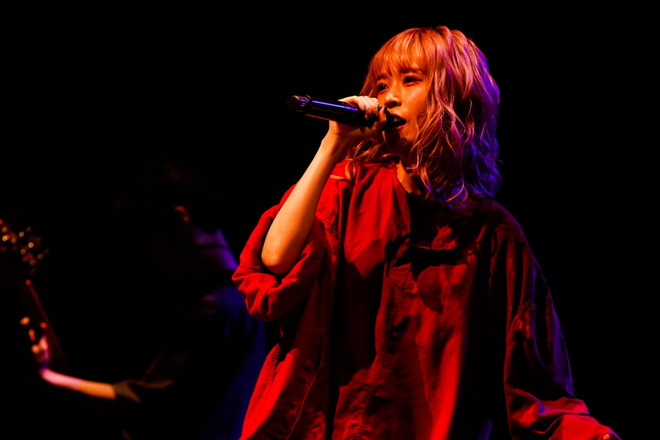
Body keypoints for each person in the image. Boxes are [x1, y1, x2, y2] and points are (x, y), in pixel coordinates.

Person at [231, 25, 621, 439]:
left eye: (410, 80)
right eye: (382, 85)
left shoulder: (492, 235)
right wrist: (333, 146)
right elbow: (275, 262)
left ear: (455, 98)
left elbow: (536, 385)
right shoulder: (346, 187)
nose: (388, 98)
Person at [22, 161, 268, 440]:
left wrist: (46, 377)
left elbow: (143, 406)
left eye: (151, 239)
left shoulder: (218, 309)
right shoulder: (248, 301)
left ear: (180, 219)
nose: (155, 262)